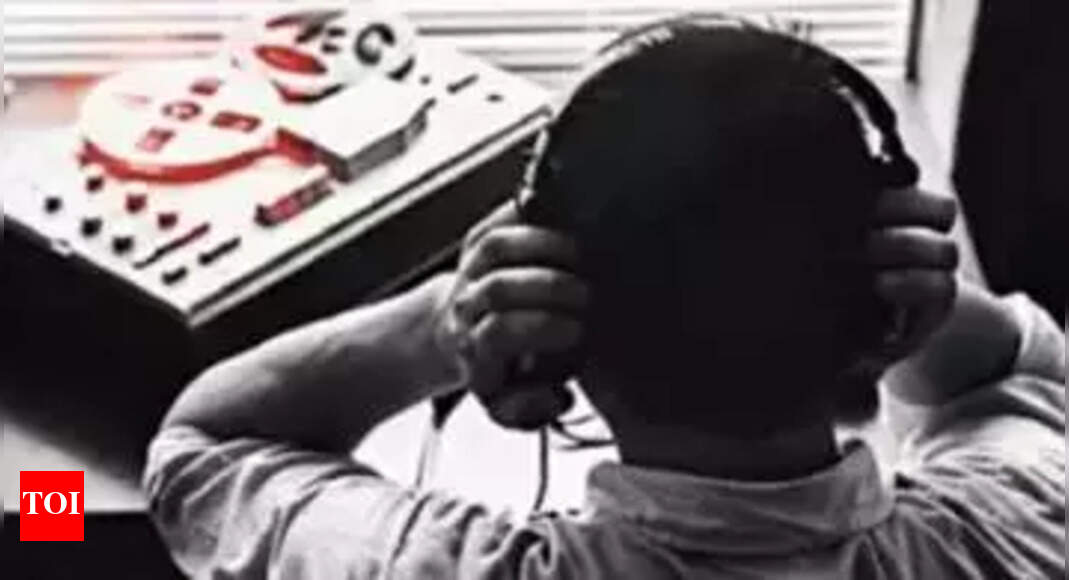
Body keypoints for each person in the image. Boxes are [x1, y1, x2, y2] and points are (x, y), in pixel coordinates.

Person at [144, 17, 1065, 579]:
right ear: (879, 316)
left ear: (554, 319)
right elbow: (1024, 379)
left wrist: (440, 322)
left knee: (66, 509)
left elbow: (199, 452)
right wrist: (912, 298)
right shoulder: (1018, 528)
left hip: (65, 509)